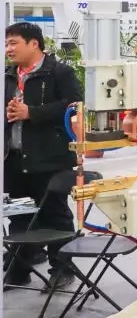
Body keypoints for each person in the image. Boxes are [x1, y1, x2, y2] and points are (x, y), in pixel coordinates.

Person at [4, 22, 81, 289]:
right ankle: (19, 270)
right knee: (19, 214)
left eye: (14, 43)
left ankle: (62, 269)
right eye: (6, 44)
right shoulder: (8, 76)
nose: (8, 49)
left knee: (54, 215)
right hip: (14, 159)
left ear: (34, 43)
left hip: (50, 159)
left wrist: (32, 113)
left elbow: (73, 106)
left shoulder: (59, 72)